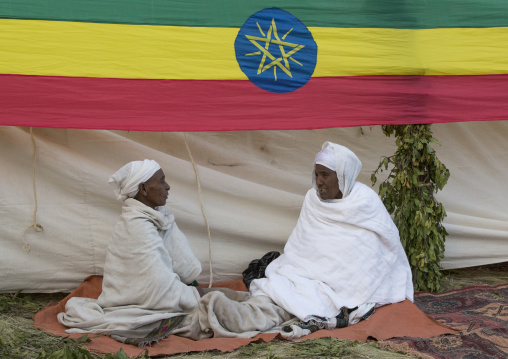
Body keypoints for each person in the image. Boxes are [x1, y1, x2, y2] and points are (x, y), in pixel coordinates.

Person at [200, 141, 413, 338]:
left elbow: (373, 254)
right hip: (301, 273)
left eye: (325, 175)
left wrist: (326, 280)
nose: (319, 182)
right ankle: (214, 302)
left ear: (343, 175)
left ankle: (226, 313)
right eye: (316, 174)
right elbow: (302, 248)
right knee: (275, 289)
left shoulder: (364, 203)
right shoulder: (313, 199)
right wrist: (304, 274)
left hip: (337, 286)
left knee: (287, 306)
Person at [58, 160, 205, 345]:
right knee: (219, 311)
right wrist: (196, 298)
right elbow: (157, 287)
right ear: (143, 189)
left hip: (168, 292)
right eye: (161, 181)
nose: (167, 187)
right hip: (137, 300)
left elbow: (181, 264)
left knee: (219, 303)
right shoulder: (136, 226)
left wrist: (197, 290)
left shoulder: (159, 217)